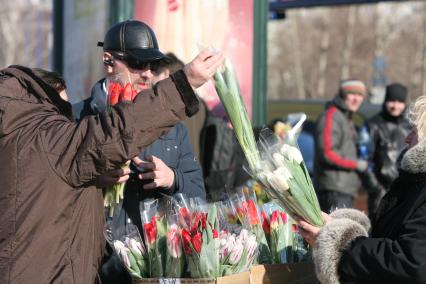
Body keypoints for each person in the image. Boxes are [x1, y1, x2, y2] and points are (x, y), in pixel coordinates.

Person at [0, 45, 223, 283]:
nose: (65, 121)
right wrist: (184, 84)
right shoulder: (49, 136)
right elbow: (118, 131)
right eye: (60, 110)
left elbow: (41, 190)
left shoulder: (13, 133)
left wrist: (170, 178)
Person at [73, 21, 206, 283]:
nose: (147, 74)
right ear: (108, 61)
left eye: (152, 65)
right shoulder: (77, 118)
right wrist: (93, 180)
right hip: (92, 267)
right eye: (136, 64)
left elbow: (199, 194)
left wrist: (172, 179)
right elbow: (50, 195)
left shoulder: (172, 126)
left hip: (152, 268)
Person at [298, 94, 426, 284]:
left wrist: (339, 245)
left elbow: (411, 262)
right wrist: (335, 227)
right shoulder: (413, 182)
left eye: (414, 132)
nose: (406, 139)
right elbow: (387, 231)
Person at [314, 79, 369, 212]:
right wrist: (356, 164)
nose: (357, 99)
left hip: (345, 190)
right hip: (334, 190)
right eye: (352, 94)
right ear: (342, 95)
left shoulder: (345, 118)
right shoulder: (331, 116)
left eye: (360, 95)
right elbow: (327, 153)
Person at [362, 83, 412, 219]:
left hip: (406, 194)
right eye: (392, 101)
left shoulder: (411, 126)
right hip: (381, 195)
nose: (395, 106)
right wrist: (376, 189)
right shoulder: (373, 125)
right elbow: (363, 160)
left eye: (399, 102)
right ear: (385, 101)